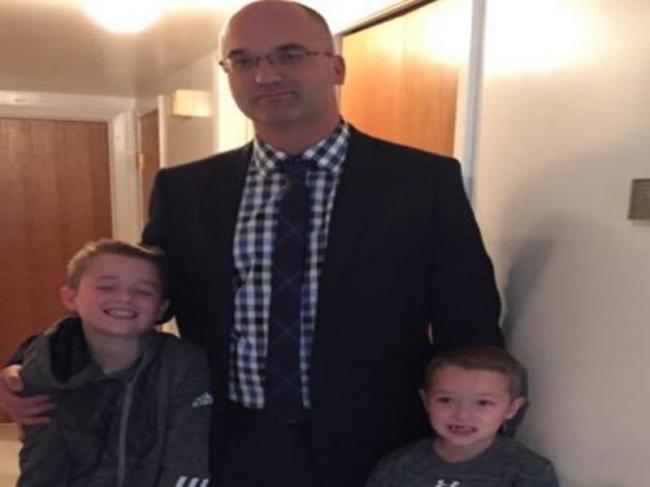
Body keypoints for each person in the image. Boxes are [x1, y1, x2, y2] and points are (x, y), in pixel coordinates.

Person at [1, 2, 502, 486]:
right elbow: (137, 301)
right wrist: (34, 363)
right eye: (242, 61)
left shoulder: (422, 181)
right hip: (224, 438)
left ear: (336, 67)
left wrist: (476, 449)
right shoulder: (186, 189)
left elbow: (468, 320)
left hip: (380, 445)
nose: (265, 75)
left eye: (289, 54)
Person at [15, 239, 212, 486]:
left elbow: (188, 459)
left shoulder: (182, 366)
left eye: (143, 291)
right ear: (71, 297)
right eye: (107, 287)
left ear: (161, 308)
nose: (125, 298)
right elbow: (41, 465)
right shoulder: (46, 367)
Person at [366, 346, 560, 487]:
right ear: (426, 401)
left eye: (482, 403)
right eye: (446, 400)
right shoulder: (397, 466)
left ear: (512, 408)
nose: (462, 415)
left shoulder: (527, 471)